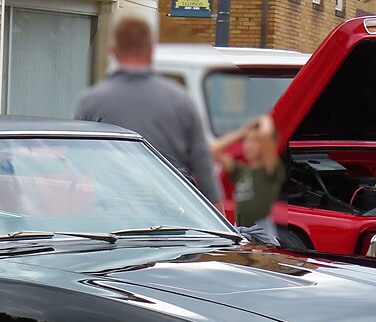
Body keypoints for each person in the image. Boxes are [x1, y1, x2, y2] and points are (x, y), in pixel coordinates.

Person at [74, 14, 222, 208]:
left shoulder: (90, 101)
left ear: (113, 52)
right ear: (151, 51)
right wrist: (221, 223)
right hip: (175, 213)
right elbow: (202, 166)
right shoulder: (181, 100)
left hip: (115, 215)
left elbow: (80, 164)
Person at [210, 115, 283, 244]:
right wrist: (242, 133)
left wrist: (263, 120)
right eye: (247, 141)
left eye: (256, 141)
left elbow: (267, 136)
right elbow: (215, 150)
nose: (249, 145)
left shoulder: (270, 170)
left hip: (262, 238)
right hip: (243, 235)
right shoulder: (242, 172)